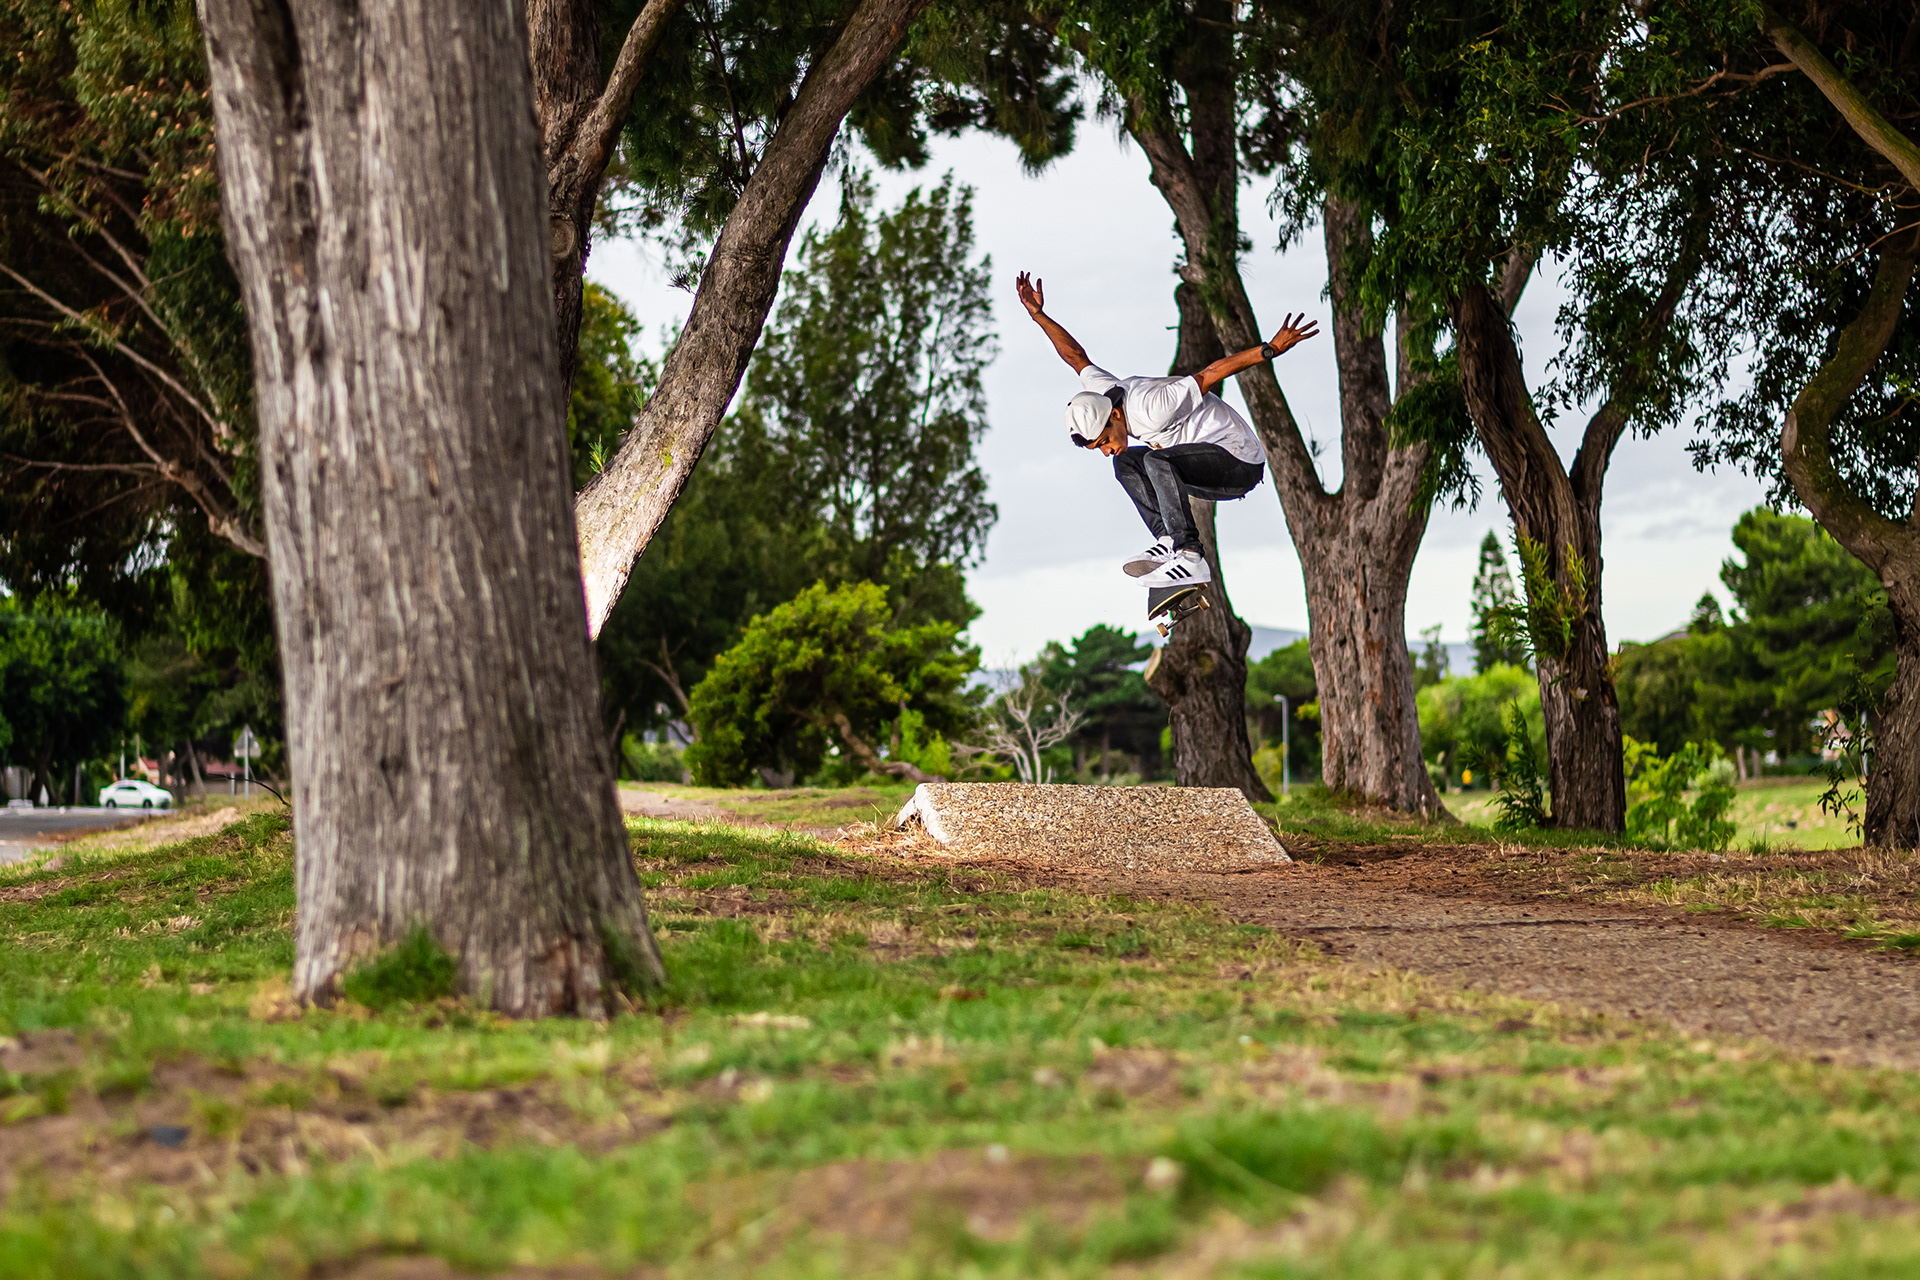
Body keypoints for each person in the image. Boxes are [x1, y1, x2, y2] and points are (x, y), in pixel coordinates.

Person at [1015, 271, 1318, 589]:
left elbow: (1211, 373)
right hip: (1202, 467)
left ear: (1115, 414)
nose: (1107, 449)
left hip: (1238, 462)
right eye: (1099, 447)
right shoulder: (1104, 393)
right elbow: (1075, 357)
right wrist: (1038, 315)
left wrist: (1270, 349)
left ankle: (1190, 556)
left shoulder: (1152, 407)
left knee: (1155, 460)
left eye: (1105, 441)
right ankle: (1168, 542)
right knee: (1126, 462)